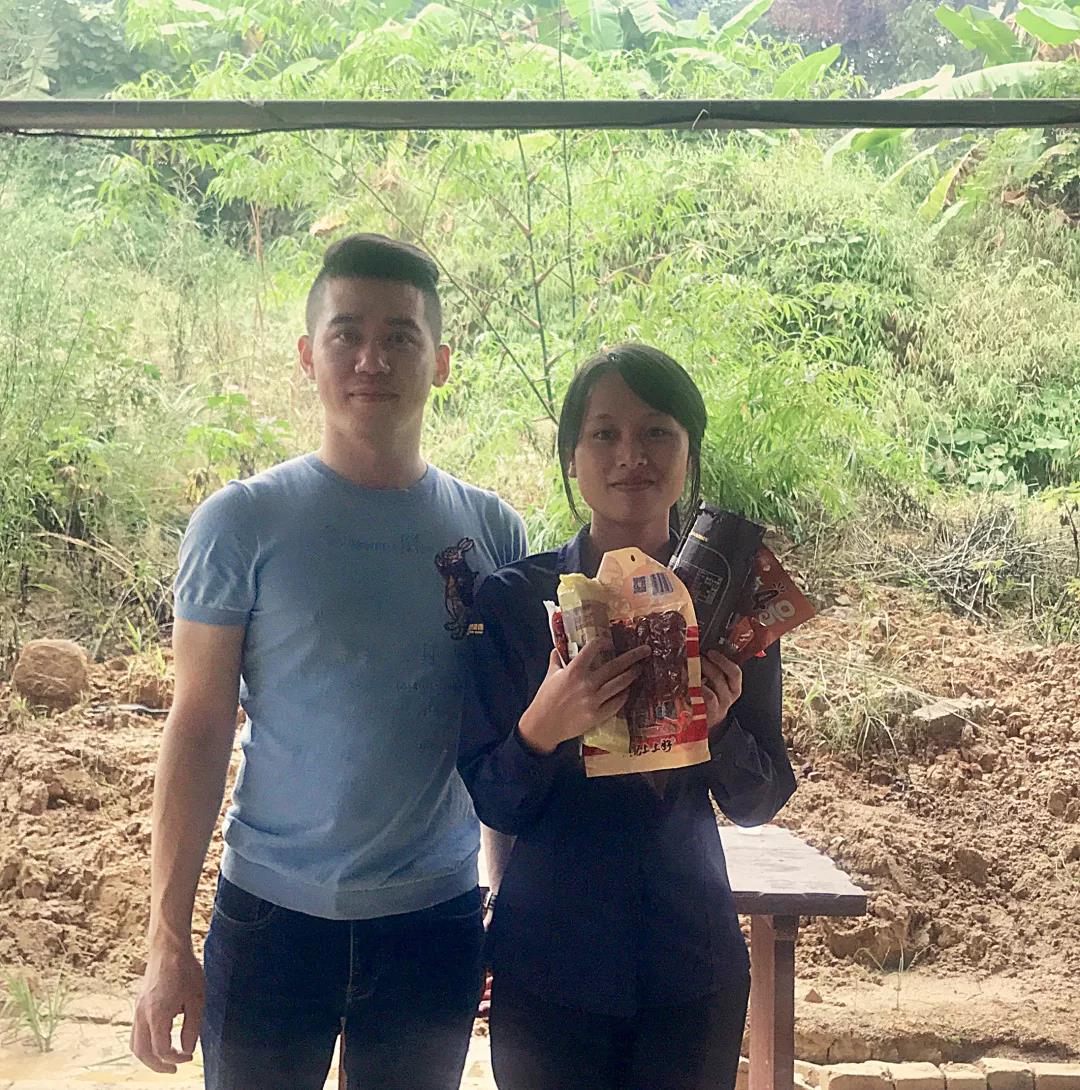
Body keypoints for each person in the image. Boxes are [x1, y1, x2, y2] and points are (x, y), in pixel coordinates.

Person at [130, 233, 526, 1090]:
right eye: (347, 333)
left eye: (400, 337)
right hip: (271, 917)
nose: (371, 359)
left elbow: (505, 734)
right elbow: (197, 727)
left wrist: (503, 896)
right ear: (309, 355)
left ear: (441, 363)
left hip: (435, 918)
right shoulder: (241, 523)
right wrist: (166, 938)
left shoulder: (493, 532)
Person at [459, 343, 797, 1090]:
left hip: (691, 967)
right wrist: (541, 728)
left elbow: (761, 798)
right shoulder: (514, 602)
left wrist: (717, 729)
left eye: (657, 433)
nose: (631, 456)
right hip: (549, 970)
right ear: (571, 457)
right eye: (604, 433)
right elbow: (493, 801)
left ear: (689, 453)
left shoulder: (729, 605)